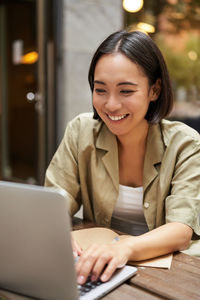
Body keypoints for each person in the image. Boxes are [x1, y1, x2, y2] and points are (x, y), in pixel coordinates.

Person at [45, 30, 200, 285]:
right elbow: (54, 201)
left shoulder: (185, 143)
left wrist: (123, 248)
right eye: (100, 90)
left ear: (155, 90)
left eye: (126, 91)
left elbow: (180, 231)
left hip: (169, 274)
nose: (111, 105)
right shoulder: (80, 131)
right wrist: (56, 229)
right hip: (99, 268)